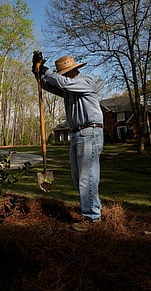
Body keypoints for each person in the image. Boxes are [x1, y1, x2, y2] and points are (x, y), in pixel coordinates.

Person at [32, 52, 104, 232]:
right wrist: (37, 72)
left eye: (62, 73)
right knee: (79, 177)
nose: (62, 76)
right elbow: (48, 86)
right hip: (77, 134)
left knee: (87, 177)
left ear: (71, 71)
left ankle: (92, 217)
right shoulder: (69, 89)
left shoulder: (85, 81)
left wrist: (47, 70)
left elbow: (63, 83)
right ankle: (93, 209)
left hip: (90, 132)